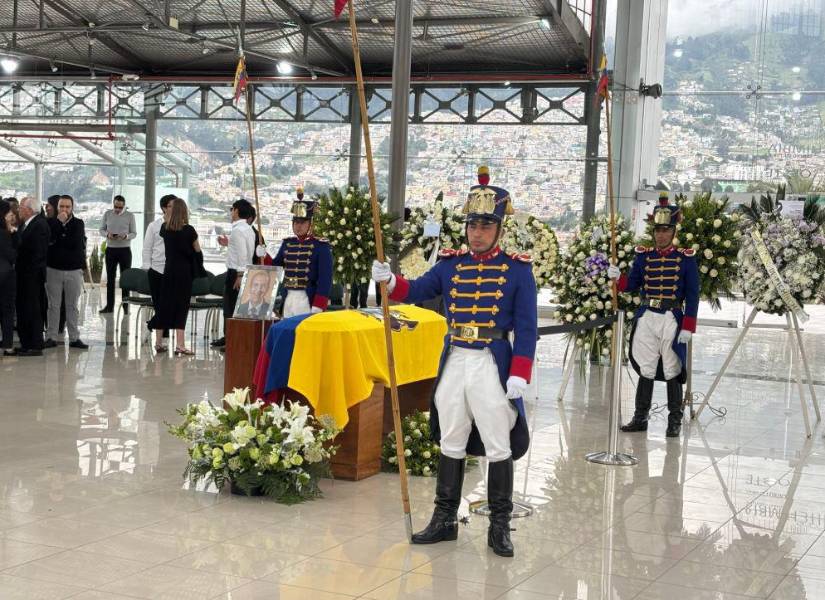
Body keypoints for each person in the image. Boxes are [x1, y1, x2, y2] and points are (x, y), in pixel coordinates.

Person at [371, 165, 537, 557]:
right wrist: (390, 280)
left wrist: (520, 374)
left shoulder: (517, 271)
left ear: (499, 229)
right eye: (472, 225)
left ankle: (499, 525)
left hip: (491, 364)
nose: (476, 232)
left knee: (499, 444)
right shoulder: (450, 265)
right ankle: (444, 519)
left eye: (485, 225)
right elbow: (418, 289)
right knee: (451, 439)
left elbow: (528, 328)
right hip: (455, 361)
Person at [607, 193, 699, 438]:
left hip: (671, 315)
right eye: (657, 230)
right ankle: (640, 417)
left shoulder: (685, 259)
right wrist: (617, 277)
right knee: (646, 366)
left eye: (666, 230)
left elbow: (693, 294)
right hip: (648, 314)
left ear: (673, 231)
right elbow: (631, 286)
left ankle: (674, 421)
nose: (661, 235)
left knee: (671, 367)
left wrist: (689, 325)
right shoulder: (643, 256)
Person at [263, 186, 332, 318]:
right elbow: (275, 267)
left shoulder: (321, 246)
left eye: (302, 222)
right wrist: (264, 255)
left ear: (311, 224)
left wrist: (318, 305)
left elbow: (325, 279)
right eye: (295, 222)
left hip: (308, 298)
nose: (298, 226)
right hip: (288, 296)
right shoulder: (287, 243)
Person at [148, 198, 201, 355]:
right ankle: (180, 344)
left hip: (168, 270)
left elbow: (168, 229)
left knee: (164, 305)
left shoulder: (165, 229)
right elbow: (197, 251)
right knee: (181, 307)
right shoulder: (190, 230)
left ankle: (158, 342)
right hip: (184, 273)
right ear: (184, 211)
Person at [210, 199, 256, 350]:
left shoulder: (237, 230)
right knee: (237, 308)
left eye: (232, 209)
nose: (231, 212)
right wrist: (228, 243)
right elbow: (244, 250)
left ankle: (232, 341)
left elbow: (243, 254)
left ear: (236, 211)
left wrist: (240, 275)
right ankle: (233, 339)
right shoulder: (248, 229)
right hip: (245, 271)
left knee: (231, 308)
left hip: (236, 273)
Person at [44, 195, 88, 350]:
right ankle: (51, 337)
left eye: (67, 207)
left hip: (73, 271)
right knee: (53, 306)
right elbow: (49, 240)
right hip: (53, 270)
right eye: (61, 206)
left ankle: (74, 338)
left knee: (72, 306)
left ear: (72, 208)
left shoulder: (78, 224)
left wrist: (59, 238)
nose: (64, 209)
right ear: (57, 207)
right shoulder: (50, 222)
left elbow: (74, 243)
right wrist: (58, 223)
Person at [15, 196, 50, 356]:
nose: (18, 209)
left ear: (29, 209)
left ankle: (34, 344)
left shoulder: (40, 225)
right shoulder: (27, 224)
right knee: (24, 308)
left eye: (21, 207)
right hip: (23, 275)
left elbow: (37, 253)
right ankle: (26, 343)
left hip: (32, 276)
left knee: (32, 309)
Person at [143, 194, 174, 352]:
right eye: (170, 205)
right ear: (164, 208)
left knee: (168, 305)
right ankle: (160, 340)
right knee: (159, 305)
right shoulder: (154, 226)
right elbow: (147, 248)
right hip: (156, 270)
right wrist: (147, 267)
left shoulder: (181, 225)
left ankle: (153, 325)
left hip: (173, 271)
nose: (173, 208)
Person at [99, 195, 137, 313]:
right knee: (110, 279)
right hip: (111, 249)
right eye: (116, 206)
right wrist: (107, 235)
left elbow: (134, 233)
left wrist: (126, 236)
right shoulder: (107, 214)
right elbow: (101, 230)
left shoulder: (130, 216)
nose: (117, 209)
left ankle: (126, 307)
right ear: (113, 204)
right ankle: (109, 307)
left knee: (125, 279)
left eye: (120, 207)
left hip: (125, 250)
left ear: (124, 206)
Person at [0, 200, 18, 355]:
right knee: (7, 310)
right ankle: (7, 345)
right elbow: (12, 256)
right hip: (5, 278)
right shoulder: (5, 234)